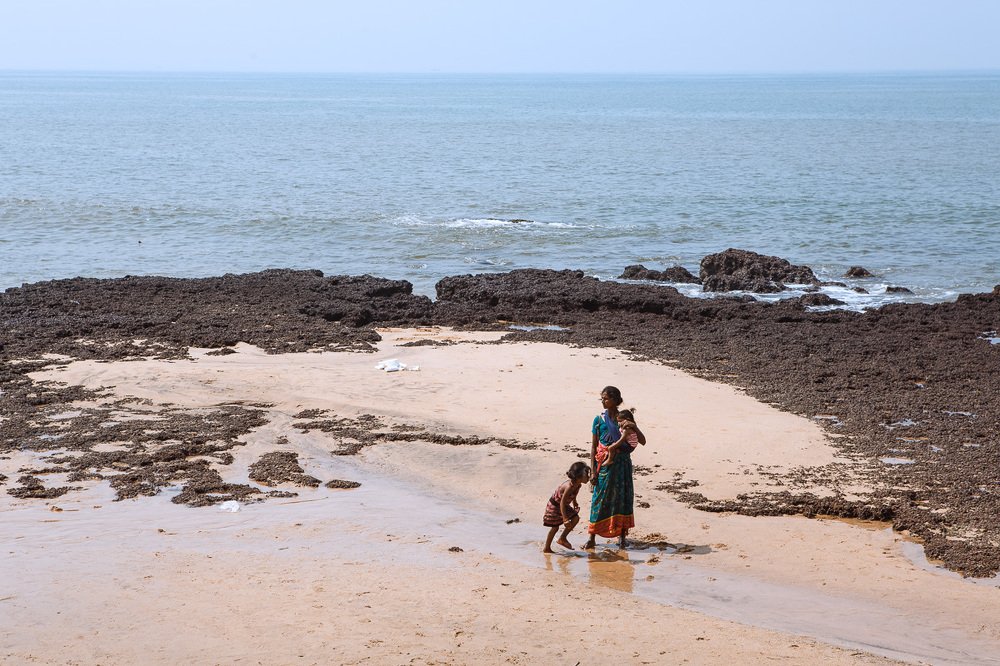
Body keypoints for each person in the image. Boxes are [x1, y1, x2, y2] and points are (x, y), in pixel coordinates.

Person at [584, 386, 645, 550]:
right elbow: (594, 446)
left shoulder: (624, 418)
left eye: (606, 398)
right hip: (604, 465)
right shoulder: (599, 420)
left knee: (622, 499)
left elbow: (642, 441)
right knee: (599, 499)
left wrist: (634, 426)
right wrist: (592, 471)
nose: (603, 401)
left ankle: (622, 537)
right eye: (602, 398)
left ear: (615, 400)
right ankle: (592, 537)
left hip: (622, 465)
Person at [543, 461, 591, 553]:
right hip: (555, 506)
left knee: (575, 518)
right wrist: (565, 519)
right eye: (586, 475)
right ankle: (547, 548)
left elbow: (573, 494)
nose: (588, 477)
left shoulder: (578, 484)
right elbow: (562, 502)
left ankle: (562, 538)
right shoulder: (569, 486)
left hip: (563, 505)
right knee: (555, 527)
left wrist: (574, 501)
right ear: (578, 477)